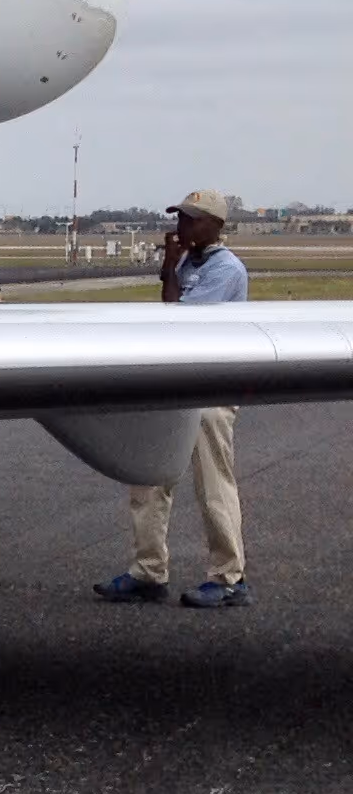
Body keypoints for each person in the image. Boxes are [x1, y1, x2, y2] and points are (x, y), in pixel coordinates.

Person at [96, 190, 251, 607]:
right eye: (181, 218)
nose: (182, 227)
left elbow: (178, 319)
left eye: (192, 220)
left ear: (216, 225)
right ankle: (148, 570)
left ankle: (228, 577)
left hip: (209, 389)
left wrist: (169, 270)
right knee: (148, 480)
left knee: (213, 483)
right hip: (176, 383)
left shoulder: (226, 269)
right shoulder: (187, 262)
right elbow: (169, 315)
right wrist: (172, 266)